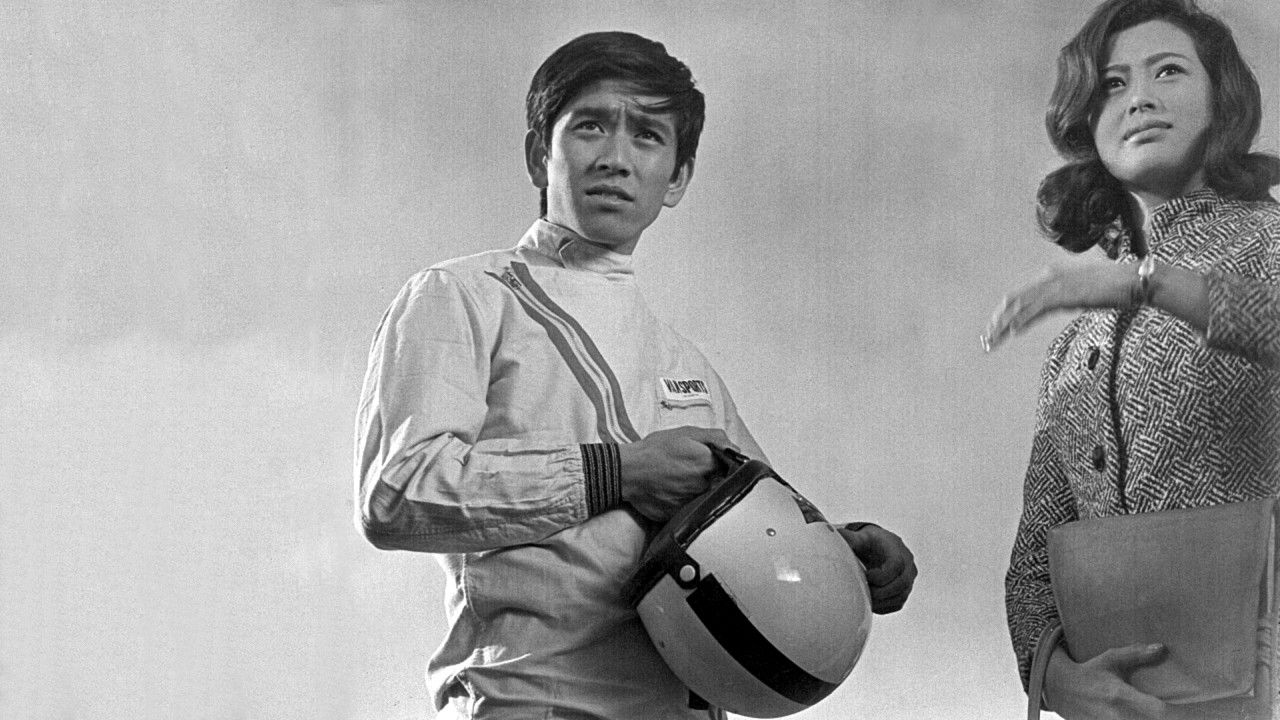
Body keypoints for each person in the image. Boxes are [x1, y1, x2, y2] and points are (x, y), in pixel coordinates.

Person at [354, 31, 917, 720]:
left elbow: (757, 529)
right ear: (539, 155)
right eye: (590, 126)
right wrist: (614, 474)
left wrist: (846, 550)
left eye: (647, 135)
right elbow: (397, 492)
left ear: (676, 178)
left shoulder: (685, 366)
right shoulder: (461, 297)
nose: (615, 158)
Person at [981, 0, 1280, 717]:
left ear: (1220, 98)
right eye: (1112, 85)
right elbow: (1035, 560)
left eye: (1168, 71)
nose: (1139, 98)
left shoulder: (1271, 242)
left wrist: (1146, 283)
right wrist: (1056, 678)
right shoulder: (1073, 347)